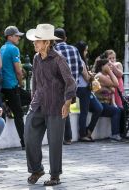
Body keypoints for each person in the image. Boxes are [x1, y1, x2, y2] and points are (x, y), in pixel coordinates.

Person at [25, 24, 76, 186]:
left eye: (37, 41)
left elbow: (71, 83)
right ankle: (36, 169)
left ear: (47, 42)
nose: (34, 43)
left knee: (54, 142)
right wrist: (33, 100)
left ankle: (55, 175)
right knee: (29, 136)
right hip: (38, 104)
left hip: (56, 105)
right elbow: (35, 82)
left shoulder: (59, 59)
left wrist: (67, 103)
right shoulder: (36, 58)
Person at [54, 28, 83, 145]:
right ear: (65, 38)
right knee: (65, 109)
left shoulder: (53, 50)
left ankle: (64, 137)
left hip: (59, 87)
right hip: (73, 87)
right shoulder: (74, 49)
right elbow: (81, 67)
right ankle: (68, 137)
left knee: (60, 111)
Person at [0, 25, 25, 149]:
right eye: (17, 36)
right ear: (10, 37)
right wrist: (21, 83)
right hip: (12, 85)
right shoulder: (14, 49)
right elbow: (18, 70)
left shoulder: (2, 48)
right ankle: (25, 142)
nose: (19, 38)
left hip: (3, 86)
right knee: (19, 114)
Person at [74, 41, 103, 141]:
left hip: (85, 89)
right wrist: (92, 77)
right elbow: (86, 77)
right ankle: (83, 135)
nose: (86, 52)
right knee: (84, 112)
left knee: (98, 108)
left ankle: (88, 131)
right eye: (85, 50)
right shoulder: (80, 61)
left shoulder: (81, 60)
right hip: (83, 88)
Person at [94, 59, 121, 141]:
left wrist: (108, 87)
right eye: (108, 65)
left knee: (121, 110)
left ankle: (121, 133)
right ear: (102, 67)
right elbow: (116, 84)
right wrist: (110, 72)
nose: (111, 66)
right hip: (100, 103)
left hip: (106, 103)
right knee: (116, 111)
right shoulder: (99, 76)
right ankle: (115, 134)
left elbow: (113, 90)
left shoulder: (107, 76)